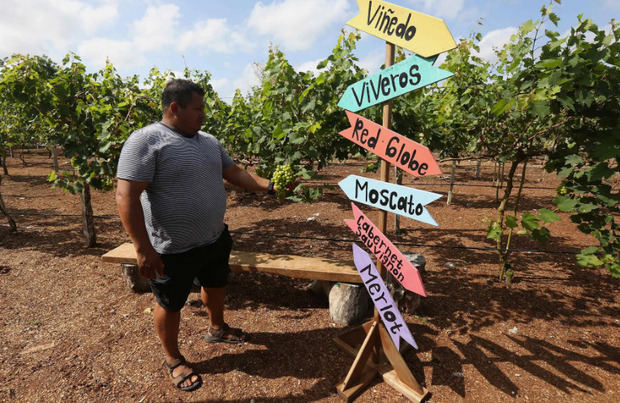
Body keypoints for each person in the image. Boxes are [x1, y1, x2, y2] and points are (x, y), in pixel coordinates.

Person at [115, 79, 276, 392]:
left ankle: (217, 328)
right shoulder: (145, 141)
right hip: (172, 248)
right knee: (170, 302)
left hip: (214, 238)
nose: (204, 115)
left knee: (216, 286)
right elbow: (126, 196)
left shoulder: (209, 141)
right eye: (198, 109)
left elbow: (234, 173)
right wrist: (142, 248)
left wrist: (268, 185)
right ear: (175, 108)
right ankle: (172, 358)